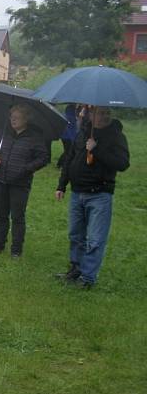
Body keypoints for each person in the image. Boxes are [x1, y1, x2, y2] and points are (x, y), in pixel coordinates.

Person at [55, 106, 129, 288]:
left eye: (107, 113)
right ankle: (76, 269)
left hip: (99, 194)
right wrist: (62, 185)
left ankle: (88, 278)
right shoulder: (82, 133)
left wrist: (96, 150)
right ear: (90, 114)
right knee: (75, 235)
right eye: (99, 113)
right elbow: (69, 159)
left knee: (95, 239)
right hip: (77, 192)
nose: (104, 116)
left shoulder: (116, 136)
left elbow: (122, 164)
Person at [0, 104, 49, 257]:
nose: (12, 120)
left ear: (26, 119)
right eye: (11, 117)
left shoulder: (35, 136)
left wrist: (26, 169)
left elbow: (43, 158)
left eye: (16, 118)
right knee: (0, 215)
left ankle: (16, 251)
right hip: (0, 179)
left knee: (17, 217)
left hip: (20, 183)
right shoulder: (4, 132)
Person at [56, 103, 78, 168]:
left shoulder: (66, 116)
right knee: (68, 151)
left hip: (65, 136)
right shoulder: (70, 117)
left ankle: (60, 164)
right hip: (68, 137)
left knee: (67, 151)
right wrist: (72, 138)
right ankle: (61, 164)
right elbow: (70, 129)